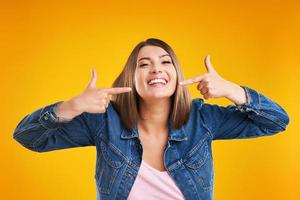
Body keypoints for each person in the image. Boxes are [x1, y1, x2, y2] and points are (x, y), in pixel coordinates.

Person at [13, 38, 290, 200]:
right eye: (143, 64)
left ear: (176, 74)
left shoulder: (202, 118)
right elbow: (28, 137)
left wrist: (232, 90)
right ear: (130, 78)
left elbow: (277, 121)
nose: (156, 68)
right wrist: (71, 107)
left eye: (165, 61)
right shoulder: (103, 122)